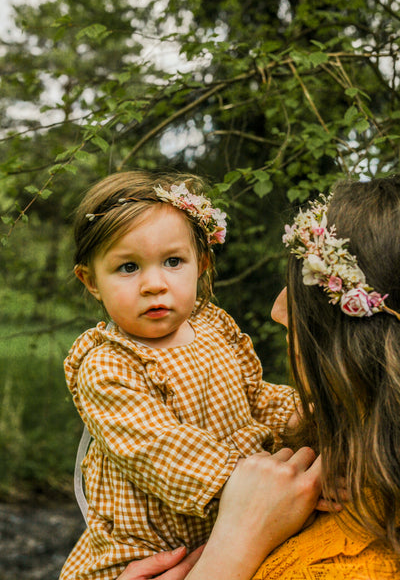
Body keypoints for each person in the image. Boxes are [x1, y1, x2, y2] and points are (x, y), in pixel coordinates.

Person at [116, 175, 400, 580]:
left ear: (366, 336)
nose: (277, 307)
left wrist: (234, 543)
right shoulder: (335, 449)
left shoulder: (357, 566)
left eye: (310, 286)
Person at [60, 170, 300, 580]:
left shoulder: (213, 328)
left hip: (236, 525)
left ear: (200, 263)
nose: (155, 284)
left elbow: (257, 398)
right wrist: (276, 484)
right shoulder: (107, 367)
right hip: (148, 552)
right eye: (128, 267)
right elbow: (167, 452)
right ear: (91, 281)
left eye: (173, 262)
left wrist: (309, 419)